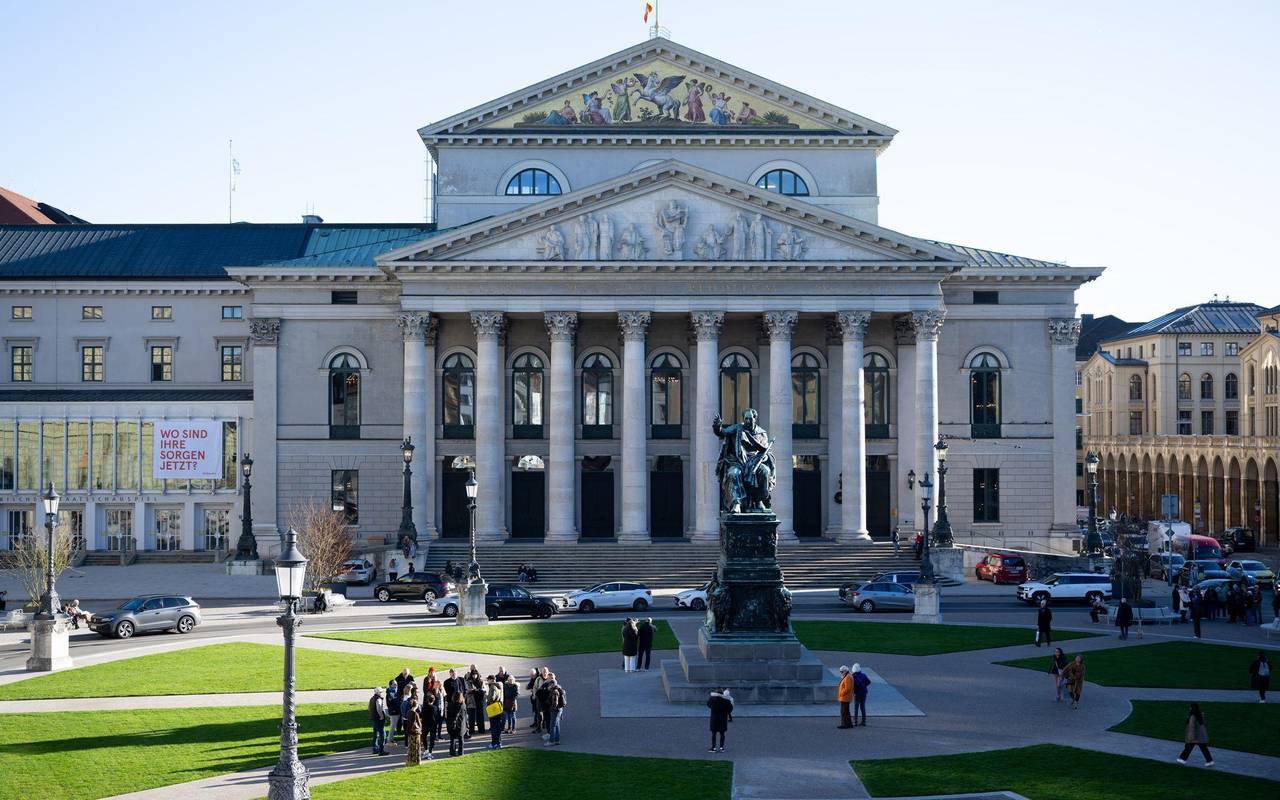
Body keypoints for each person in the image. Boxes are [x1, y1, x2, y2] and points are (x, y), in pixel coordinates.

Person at [707, 688, 734, 752]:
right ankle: (721, 747)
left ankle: (714, 747)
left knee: (714, 734)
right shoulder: (726, 701)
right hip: (723, 719)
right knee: (722, 734)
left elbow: (708, 705)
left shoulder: (712, 699)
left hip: (714, 719)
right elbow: (730, 709)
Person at [542, 674, 566, 746]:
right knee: (557, 725)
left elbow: (555, 703)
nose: (548, 686)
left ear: (552, 685)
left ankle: (551, 741)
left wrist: (550, 707)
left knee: (552, 726)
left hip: (555, 710)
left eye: (549, 685)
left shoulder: (554, 691)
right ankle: (557, 740)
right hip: (559, 710)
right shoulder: (558, 689)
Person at [484, 675, 505, 749]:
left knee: (493, 727)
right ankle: (499, 743)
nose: (487, 681)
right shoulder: (500, 685)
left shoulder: (493, 686)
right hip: (498, 707)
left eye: (488, 680)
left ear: (491, 680)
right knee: (498, 727)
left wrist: (486, 695)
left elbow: (492, 698)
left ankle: (494, 743)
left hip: (493, 708)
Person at [422, 688, 442, 759]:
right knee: (432, 739)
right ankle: (430, 752)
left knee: (424, 737)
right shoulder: (435, 708)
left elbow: (422, 716)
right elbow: (438, 717)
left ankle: (426, 750)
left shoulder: (424, 707)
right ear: (433, 700)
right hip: (433, 725)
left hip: (425, 725)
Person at [368, 687, 388, 755]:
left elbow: (369, 708)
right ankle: (381, 750)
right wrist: (381, 716)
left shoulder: (372, 698)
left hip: (374, 718)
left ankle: (375, 749)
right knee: (382, 735)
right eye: (381, 692)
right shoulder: (378, 699)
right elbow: (379, 708)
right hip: (379, 719)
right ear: (378, 693)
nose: (382, 693)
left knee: (375, 734)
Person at [446, 690, 466, 756]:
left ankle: (452, 752)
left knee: (452, 739)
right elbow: (465, 714)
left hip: (452, 722)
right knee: (461, 739)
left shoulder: (450, 704)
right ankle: (461, 752)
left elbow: (448, 714)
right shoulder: (463, 705)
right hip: (461, 723)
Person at [403, 697, 422, 766]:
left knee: (411, 748)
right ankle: (416, 761)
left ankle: (410, 761)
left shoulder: (408, 712)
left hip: (409, 733)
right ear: (416, 705)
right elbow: (417, 724)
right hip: (415, 733)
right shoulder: (415, 713)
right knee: (416, 748)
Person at [527, 668, 545, 732]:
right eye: (531, 675)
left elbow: (539, 687)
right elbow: (531, 686)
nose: (531, 676)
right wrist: (529, 687)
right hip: (535, 697)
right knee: (536, 710)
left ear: (535, 674)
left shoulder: (538, 678)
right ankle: (536, 723)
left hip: (540, 697)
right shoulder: (534, 678)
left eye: (532, 675)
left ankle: (541, 724)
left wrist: (534, 690)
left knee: (540, 711)